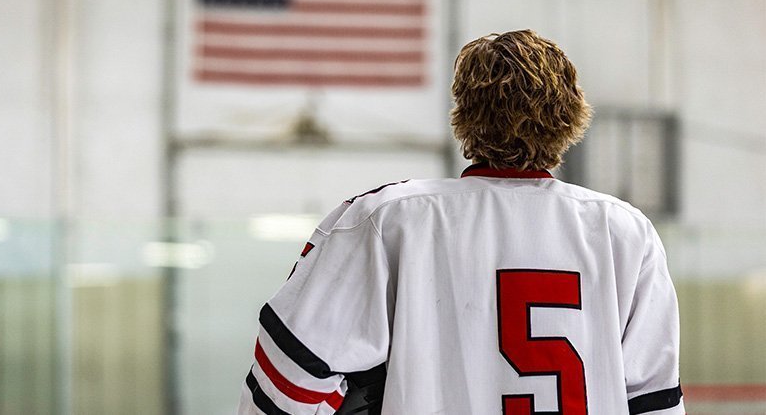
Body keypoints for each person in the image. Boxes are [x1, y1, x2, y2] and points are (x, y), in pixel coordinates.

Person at [238, 29, 684, 414]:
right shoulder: (625, 231)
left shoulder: (387, 218)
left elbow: (286, 386)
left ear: (465, 115)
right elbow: (653, 401)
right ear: (569, 118)